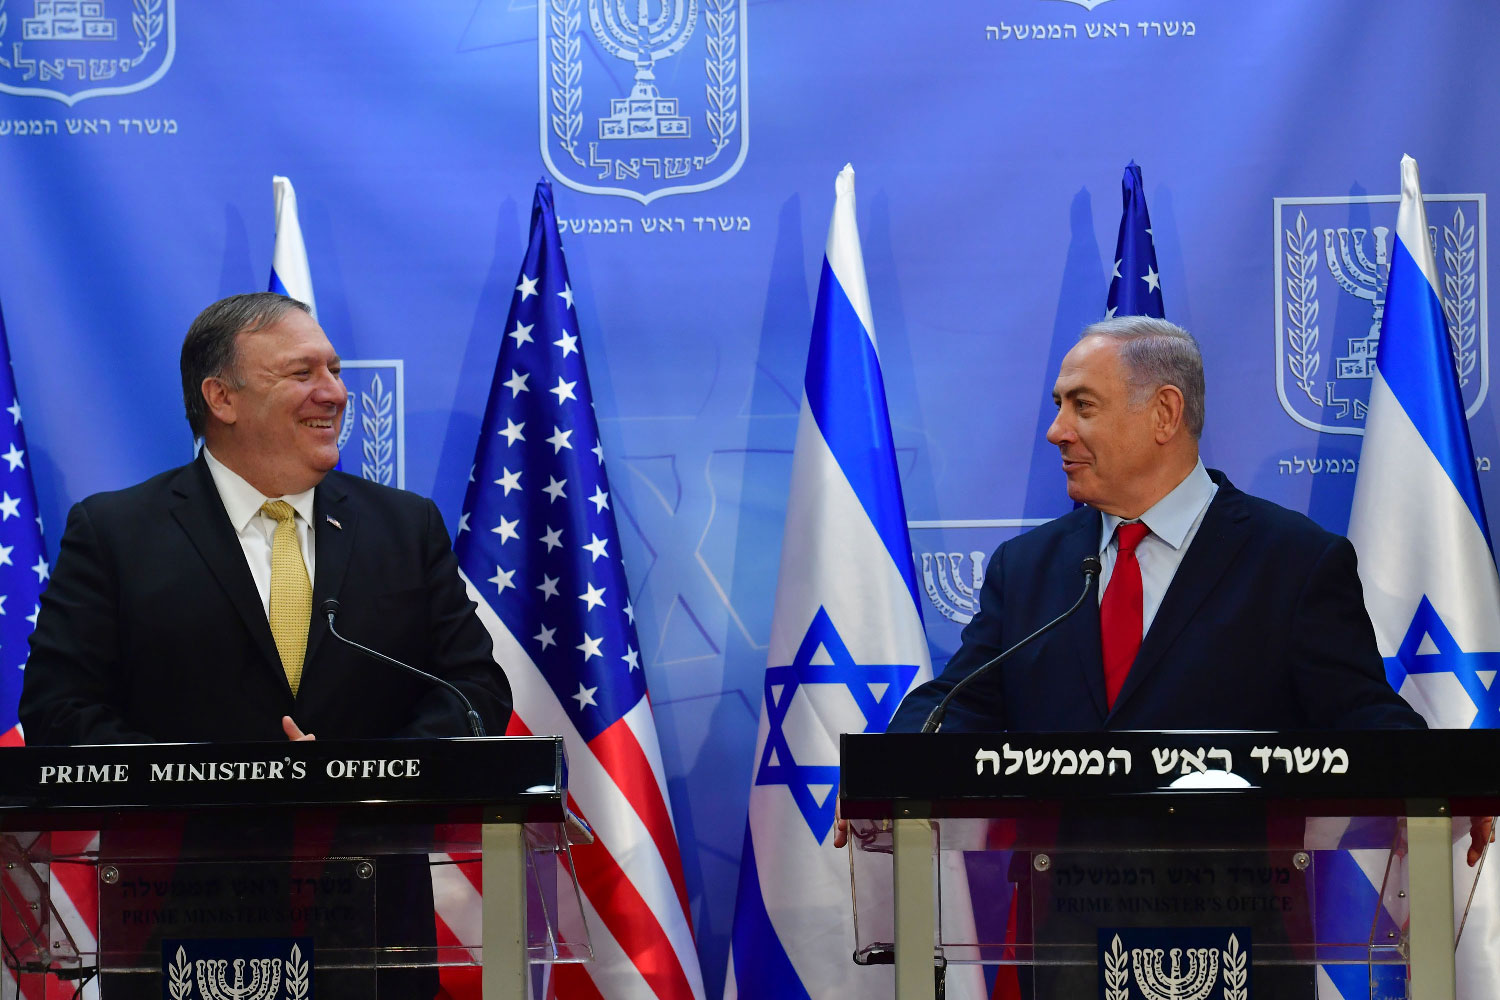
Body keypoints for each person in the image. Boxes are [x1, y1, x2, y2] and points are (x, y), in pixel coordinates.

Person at [19, 291, 511, 998]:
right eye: (303, 373)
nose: (336, 393)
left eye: (336, 371)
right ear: (221, 397)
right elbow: (58, 714)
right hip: (182, 923)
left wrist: (353, 775)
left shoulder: (403, 528)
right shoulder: (117, 534)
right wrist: (230, 778)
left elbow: (474, 693)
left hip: (371, 926)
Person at [888, 315, 1423, 735]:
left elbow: (1366, 720)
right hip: (1057, 871)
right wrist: (886, 773)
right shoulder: (1027, 568)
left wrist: (1441, 784)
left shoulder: (1293, 563)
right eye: (1059, 406)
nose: (1056, 431)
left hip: (1233, 872)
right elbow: (954, 706)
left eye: (1083, 406)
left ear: (1165, 414)